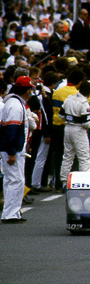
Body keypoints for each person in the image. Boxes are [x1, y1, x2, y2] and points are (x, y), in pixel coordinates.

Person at [1, 76, 37, 223]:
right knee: (16, 180)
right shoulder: (15, 105)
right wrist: (11, 153)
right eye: (30, 89)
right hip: (13, 150)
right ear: (27, 90)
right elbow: (12, 130)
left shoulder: (12, 102)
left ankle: (11, 212)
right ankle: (11, 213)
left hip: (12, 148)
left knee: (12, 180)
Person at [60, 81, 90, 185]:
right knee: (84, 157)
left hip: (68, 128)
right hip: (79, 130)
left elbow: (61, 115)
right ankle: (84, 181)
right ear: (89, 92)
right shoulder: (84, 103)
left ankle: (64, 181)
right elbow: (86, 123)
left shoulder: (69, 99)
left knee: (67, 156)